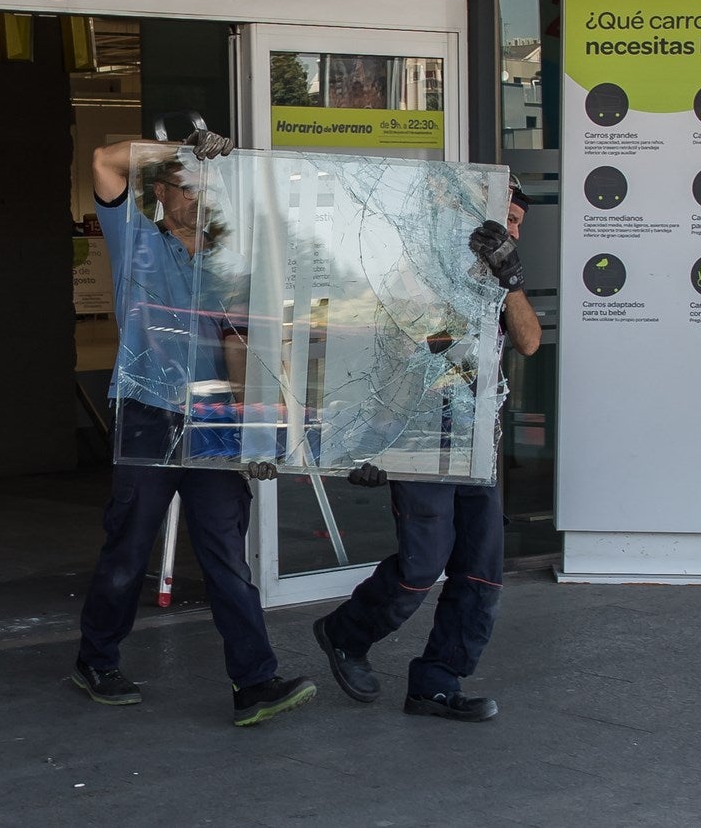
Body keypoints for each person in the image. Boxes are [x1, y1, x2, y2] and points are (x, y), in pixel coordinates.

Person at [72, 127, 316, 725]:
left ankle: (255, 682)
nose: (198, 198)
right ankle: (95, 658)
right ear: (160, 192)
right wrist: (181, 148)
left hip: (213, 421)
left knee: (226, 554)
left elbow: (247, 348)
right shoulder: (135, 239)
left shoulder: (229, 260)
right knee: (129, 548)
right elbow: (104, 160)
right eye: (185, 186)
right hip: (149, 414)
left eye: (206, 188)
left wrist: (260, 429)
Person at [312, 176, 540, 721]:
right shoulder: (422, 273)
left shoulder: (502, 284)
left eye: (516, 225)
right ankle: (346, 633)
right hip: (419, 441)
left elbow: (529, 341)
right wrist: (369, 445)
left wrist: (511, 282)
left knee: (481, 569)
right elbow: (386, 355)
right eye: (502, 218)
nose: (508, 231)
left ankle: (437, 680)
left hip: (476, 445)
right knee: (423, 564)